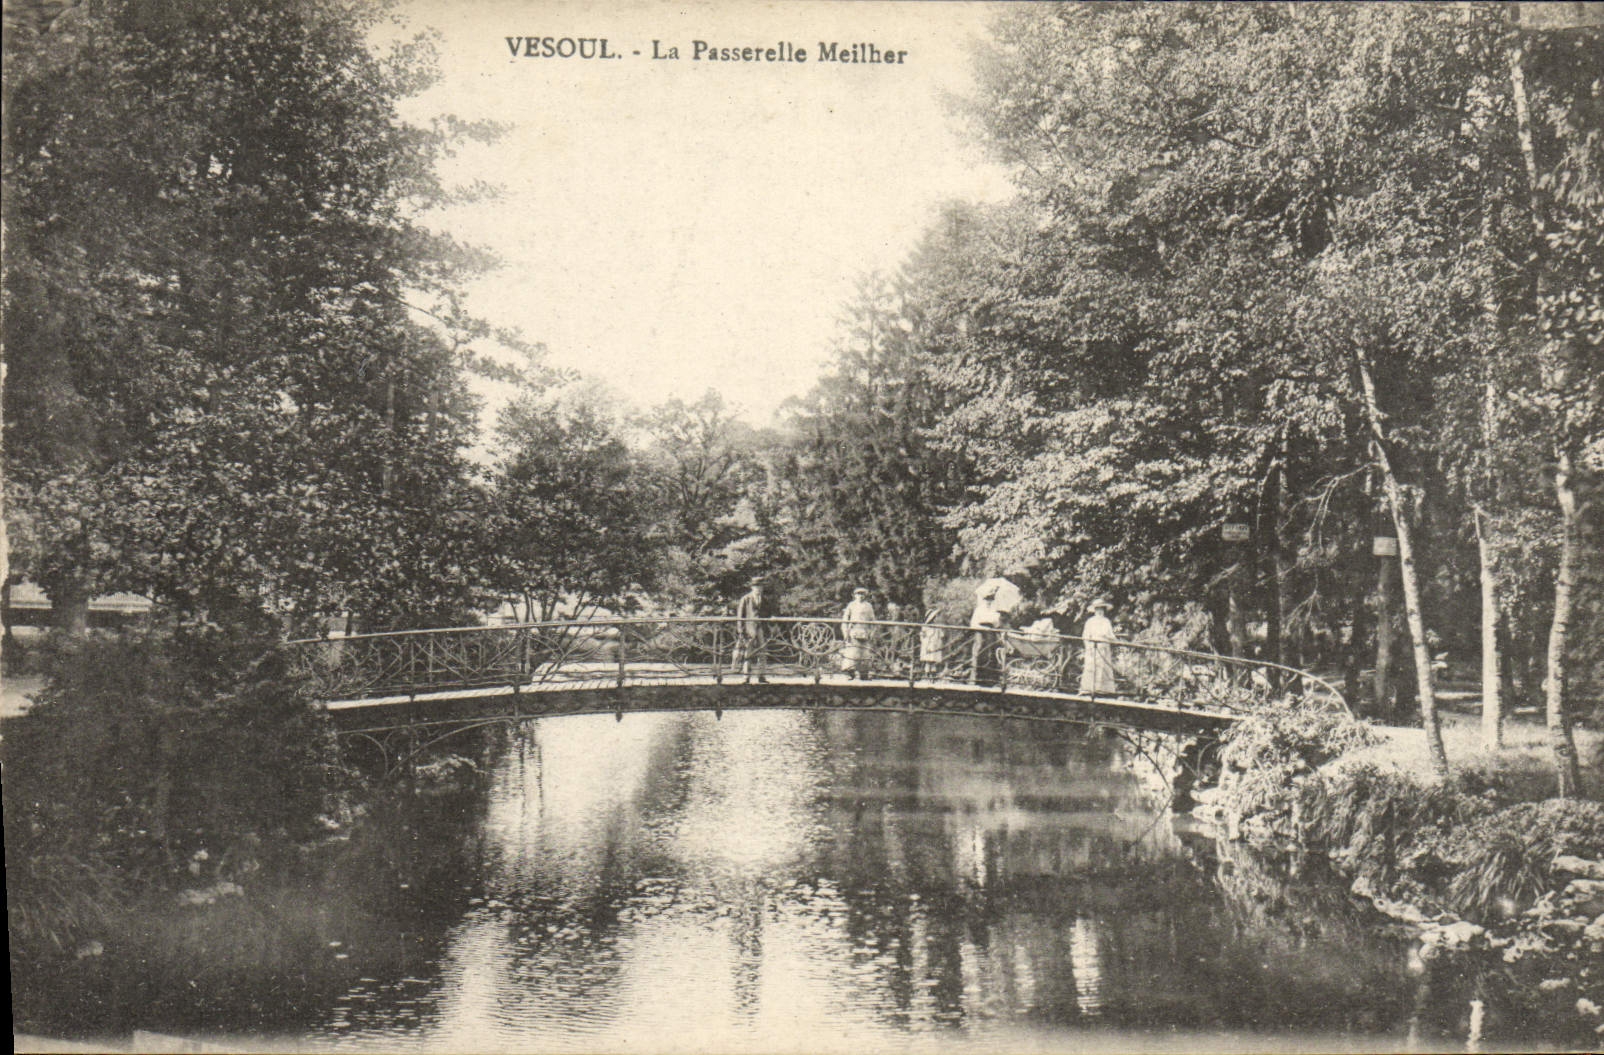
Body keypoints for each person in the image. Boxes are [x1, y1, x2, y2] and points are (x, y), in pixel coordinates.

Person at [734, 577, 772, 683]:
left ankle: (762, 676)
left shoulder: (765, 600)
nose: (759, 589)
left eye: (761, 587)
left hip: (761, 629)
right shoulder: (746, 599)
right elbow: (740, 616)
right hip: (749, 630)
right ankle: (746, 677)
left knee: (763, 652)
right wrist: (741, 631)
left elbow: (768, 614)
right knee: (748, 653)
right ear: (752, 587)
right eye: (757, 587)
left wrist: (770, 624)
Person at [1079, 598, 1118, 695]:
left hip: (1104, 647)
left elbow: (1110, 635)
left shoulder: (1106, 621)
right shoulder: (1090, 621)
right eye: (1098, 609)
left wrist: (1116, 640)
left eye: (1102, 609)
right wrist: (1088, 647)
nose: (1100, 611)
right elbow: (1086, 636)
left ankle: (1103, 690)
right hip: (1093, 647)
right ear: (1094, 610)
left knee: (1103, 668)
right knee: (1091, 667)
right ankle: (1088, 689)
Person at [840, 587, 876, 679]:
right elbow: (845, 619)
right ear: (855, 595)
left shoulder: (868, 606)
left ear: (865, 596)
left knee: (864, 653)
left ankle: (864, 674)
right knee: (851, 652)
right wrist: (845, 632)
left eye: (862, 594)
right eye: (858, 594)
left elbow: (873, 621)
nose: (860, 596)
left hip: (864, 632)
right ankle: (850, 673)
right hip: (853, 632)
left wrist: (872, 633)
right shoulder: (851, 605)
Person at [919, 604, 946, 680]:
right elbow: (922, 636)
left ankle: (932, 676)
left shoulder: (937, 627)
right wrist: (926, 643)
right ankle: (927, 676)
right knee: (928, 662)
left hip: (935, 645)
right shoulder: (925, 627)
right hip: (928, 645)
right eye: (935, 617)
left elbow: (942, 635)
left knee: (933, 662)